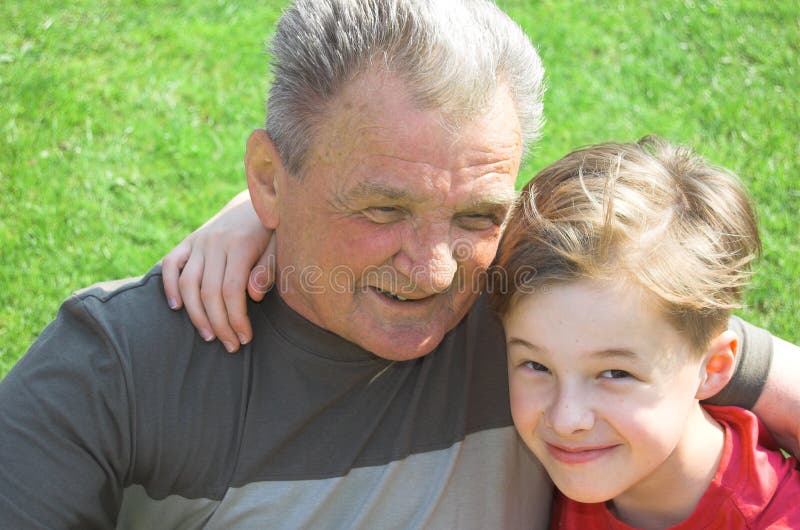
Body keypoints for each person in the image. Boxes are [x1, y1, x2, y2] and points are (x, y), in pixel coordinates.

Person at [0, 0, 796, 528]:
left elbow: (695, 353)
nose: (436, 271)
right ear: (271, 179)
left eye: (478, 214)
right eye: (384, 210)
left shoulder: (536, 309)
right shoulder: (116, 372)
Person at [491, 137, 800, 528]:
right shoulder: (554, 470)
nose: (566, 418)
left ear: (715, 366)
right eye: (536, 365)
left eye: (616, 373)